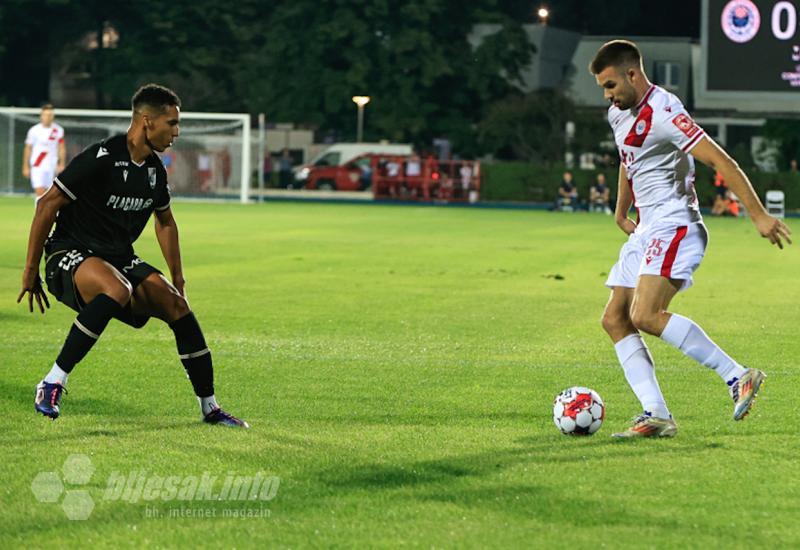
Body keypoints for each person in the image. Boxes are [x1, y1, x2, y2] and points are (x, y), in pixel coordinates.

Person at [590, 40, 791, 438]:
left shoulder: (665, 110)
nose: (608, 95)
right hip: (646, 229)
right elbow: (627, 160)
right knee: (614, 319)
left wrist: (758, 214)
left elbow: (720, 160)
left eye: (611, 84)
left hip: (675, 225)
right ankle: (656, 415)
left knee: (645, 315)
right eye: (603, 88)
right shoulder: (619, 113)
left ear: (633, 74)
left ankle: (738, 376)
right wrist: (619, 210)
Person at [18, 84, 248, 428]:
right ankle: (52, 382)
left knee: (177, 307)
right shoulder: (102, 157)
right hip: (69, 252)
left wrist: (179, 279)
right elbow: (47, 203)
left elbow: (165, 222)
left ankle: (210, 408)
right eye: (170, 123)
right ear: (146, 121)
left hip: (118, 258)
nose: (176, 131)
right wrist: (30, 271)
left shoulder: (155, 170)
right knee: (117, 288)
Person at [22, 104, 66, 198]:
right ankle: (38, 212)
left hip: (52, 165)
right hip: (38, 164)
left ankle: (48, 212)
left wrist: (61, 164)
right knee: (39, 190)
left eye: (50, 115)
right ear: (41, 116)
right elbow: (28, 148)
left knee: (49, 193)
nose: (48, 117)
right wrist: (25, 166)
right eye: (46, 115)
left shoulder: (58, 130)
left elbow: (61, 147)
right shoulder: (34, 130)